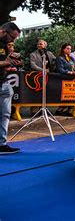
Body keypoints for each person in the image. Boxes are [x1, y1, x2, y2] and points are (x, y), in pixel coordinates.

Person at [0, 22, 21, 154]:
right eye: (12, 37)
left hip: (3, 82)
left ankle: (2, 144)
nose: (12, 41)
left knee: (5, 114)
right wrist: (9, 62)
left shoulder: (4, 46)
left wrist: (11, 60)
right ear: (3, 31)